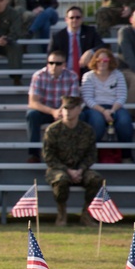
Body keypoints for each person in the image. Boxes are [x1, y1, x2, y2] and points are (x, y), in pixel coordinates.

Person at [43, 95, 101, 227]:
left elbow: (91, 155)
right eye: (65, 108)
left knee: (96, 179)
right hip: (59, 169)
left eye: (71, 108)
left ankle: (86, 215)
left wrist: (80, 170)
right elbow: (49, 157)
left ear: (79, 110)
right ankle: (61, 214)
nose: (68, 111)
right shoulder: (53, 130)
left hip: (80, 169)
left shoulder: (87, 130)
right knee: (61, 179)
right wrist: (68, 171)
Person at [26, 49, 79, 163]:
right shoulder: (39, 76)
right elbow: (33, 102)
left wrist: (61, 112)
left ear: (64, 65)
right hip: (45, 111)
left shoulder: (72, 76)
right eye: (51, 63)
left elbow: (73, 100)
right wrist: (53, 112)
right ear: (47, 63)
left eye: (58, 63)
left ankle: (73, 153)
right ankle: (34, 154)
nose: (54, 66)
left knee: (81, 115)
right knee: (32, 115)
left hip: (65, 110)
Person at [79, 48, 133, 156]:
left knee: (124, 121)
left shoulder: (118, 75)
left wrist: (112, 110)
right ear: (94, 61)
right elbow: (88, 99)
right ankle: (92, 154)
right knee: (97, 121)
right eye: (99, 60)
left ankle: (126, 155)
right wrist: (104, 111)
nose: (102, 63)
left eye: (105, 60)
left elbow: (122, 96)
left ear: (110, 61)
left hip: (115, 107)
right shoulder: (88, 76)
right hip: (94, 107)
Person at [49, 5, 106, 78]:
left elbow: (102, 46)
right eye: (71, 17)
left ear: (82, 19)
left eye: (77, 17)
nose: (74, 20)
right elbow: (50, 56)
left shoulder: (90, 32)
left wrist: (90, 52)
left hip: (87, 73)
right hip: (64, 74)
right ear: (66, 19)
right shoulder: (58, 36)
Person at [118, 9, 135, 103]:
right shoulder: (125, 32)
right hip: (126, 69)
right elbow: (128, 56)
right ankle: (130, 114)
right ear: (131, 20)